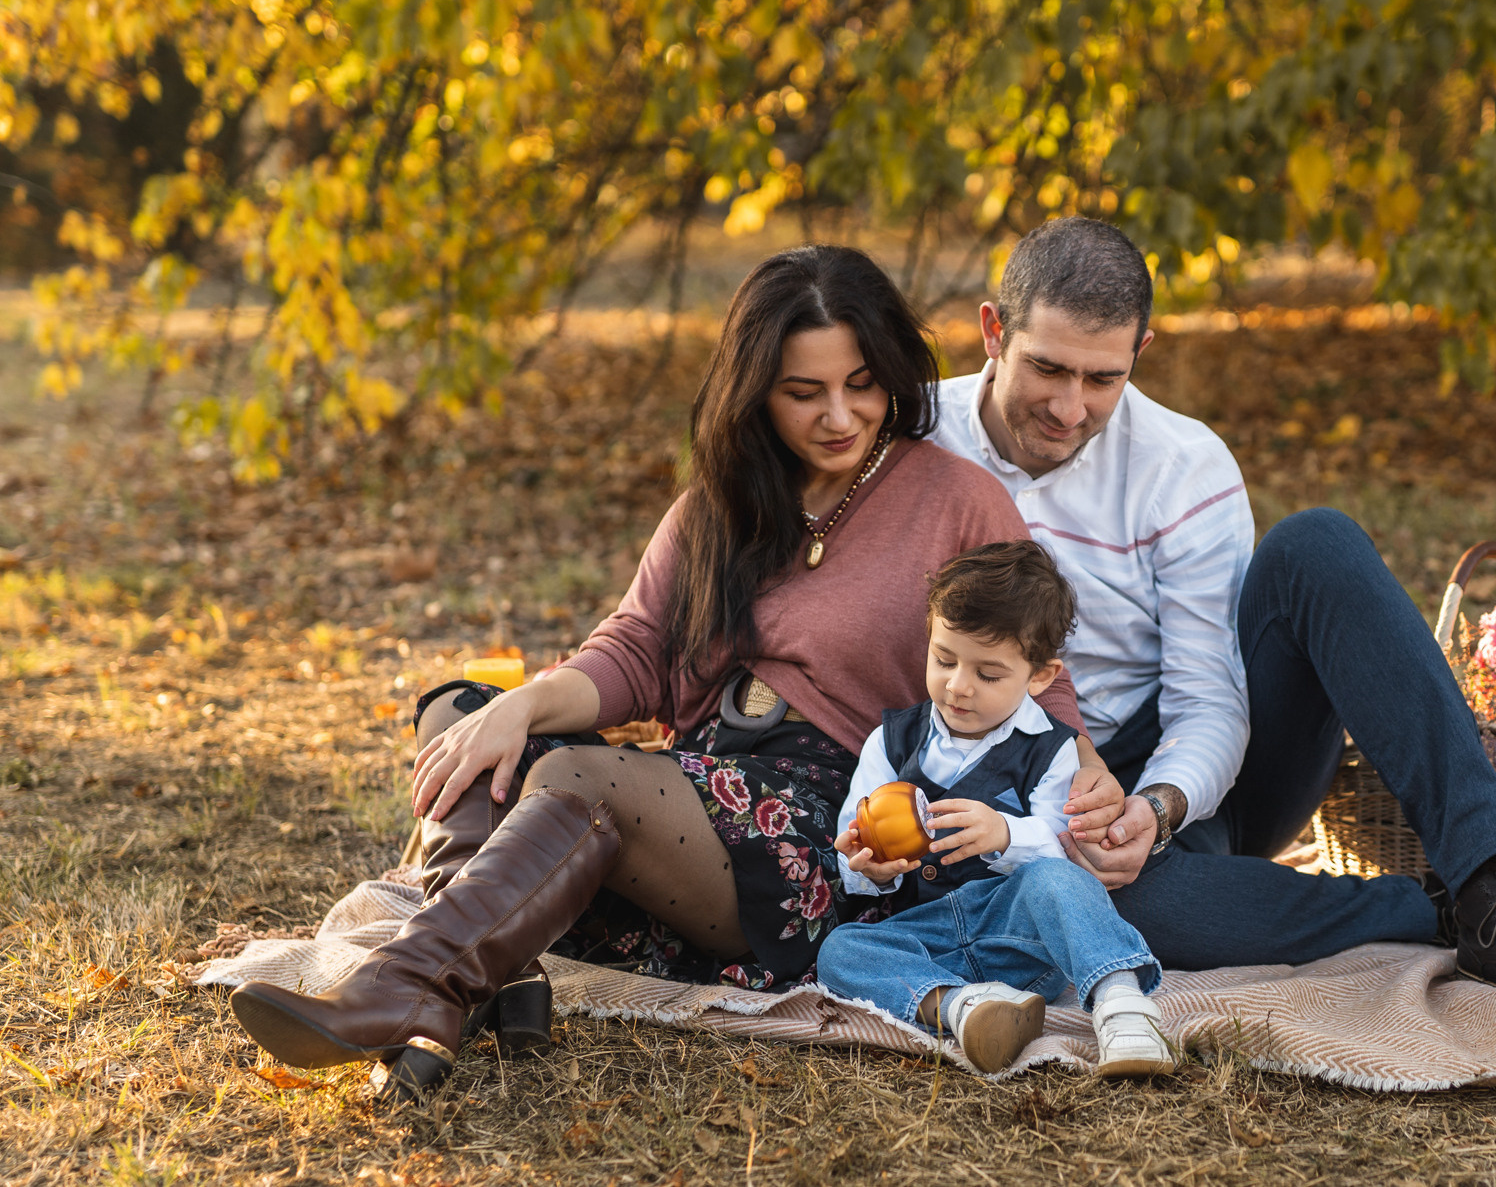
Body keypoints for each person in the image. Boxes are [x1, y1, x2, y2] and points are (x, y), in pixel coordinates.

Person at [228, 245, 1124, 1097]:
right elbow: (631, 653)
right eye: (803, 392)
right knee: (461, 712)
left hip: (815, 827)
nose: (841, 416)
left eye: (862, 385)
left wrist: (1092, 780)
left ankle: (411, 983)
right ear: (756, 392)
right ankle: (494, 986)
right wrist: (523, 704)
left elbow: (1038, 682)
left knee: (576, 774)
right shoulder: (718, 507)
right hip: (694, 792)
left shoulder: (955, 499)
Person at [927, 216, 1496, 1036]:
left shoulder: (1182, 465)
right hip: (1004, 782)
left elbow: (1208, 700)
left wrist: (1157, 808)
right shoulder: (915, 436)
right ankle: (1432, 912)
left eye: (1102, 379)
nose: (1068, 407)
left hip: (1176, 773)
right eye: (1046, 368)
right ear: (993, 330)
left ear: (1143, 352)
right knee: (1087, 905)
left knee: (1317, 544)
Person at [817, 541, 1174, 1077]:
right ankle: (967, 1009)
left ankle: (1122, 1006)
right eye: (944, 660)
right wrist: (870, 865)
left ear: (1039, 677)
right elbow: (854, 845)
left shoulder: (1052, 750)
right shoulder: (891, 743)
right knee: (842, 951)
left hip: (1017, 937)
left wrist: (1006, 833)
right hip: (928, 934)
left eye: (988, 675)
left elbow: (1065, 845)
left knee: (1058, 881)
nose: (958, 687)